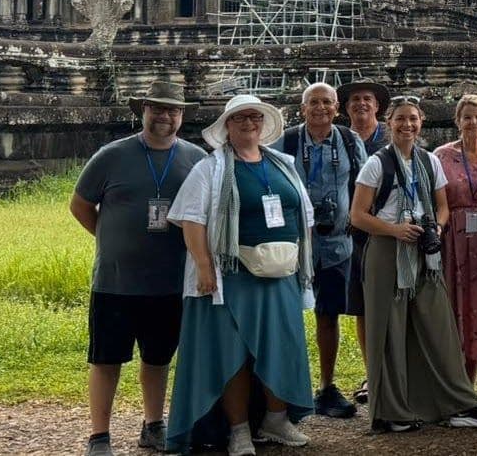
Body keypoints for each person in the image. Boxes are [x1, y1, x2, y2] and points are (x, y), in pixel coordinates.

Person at [167, 94, 314, 455]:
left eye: (254, 118)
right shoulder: (211, 168)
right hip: (232, 276)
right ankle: (238, 430)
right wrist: (204, 266)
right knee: (234, 353)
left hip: (281, 274)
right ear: (227, 127)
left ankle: (277, 419)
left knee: (281, 347)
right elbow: (191, 218)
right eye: (240, 119)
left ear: (263, 125)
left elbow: (303, 215)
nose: (249, 124)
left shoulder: (283, 164)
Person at [348, 95, 477, 433]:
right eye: (401, 119)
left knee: (439, 327)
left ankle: (459, 403)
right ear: (390, 123)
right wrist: (394, 230)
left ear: (421, 123)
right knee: (389, 331)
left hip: (423, 249)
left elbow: (442, 205)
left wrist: (437, 227)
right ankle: (391, 411)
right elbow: (357, 215)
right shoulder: (377, 164)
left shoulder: (429, 161)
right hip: (387, 250)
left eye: (413, 119)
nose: (407, 125)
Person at [71, 81, 208, 456]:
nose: (165, 116)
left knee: (158, 358)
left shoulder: (195, 159)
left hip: (169, 280)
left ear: (182, 116)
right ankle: (99, 435)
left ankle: (153, 424)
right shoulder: (111, 156)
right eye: (157, 108)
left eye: (173, 110)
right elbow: (80, 205)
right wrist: (108, 237)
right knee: (105, 359)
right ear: (143, 110)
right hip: (116, 280)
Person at [270, 82, 366, 419]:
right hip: (294, 243)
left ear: (337, 107)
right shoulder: (288, 141)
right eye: (313, 102)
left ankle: (326, 386)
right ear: (302, 107)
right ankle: (286, 387)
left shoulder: (351, 141)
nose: (320, 108)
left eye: (327, 102)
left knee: (328, 314)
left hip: (338, 242)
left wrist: (357, 218)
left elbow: (365, 184)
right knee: (286, 314)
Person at [431, 93, 477, 384]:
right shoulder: (441, 156)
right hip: (452, 241)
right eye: (467, 117)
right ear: (457, 121)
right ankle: (447, 380)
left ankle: (469, 382)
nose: (473, 122)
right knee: (450, 307)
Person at [335, 77, 391, 405]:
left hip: (390, 231)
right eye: (354, 100)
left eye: (367, 99)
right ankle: (373, 374)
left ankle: (395, 373)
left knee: (396, 306)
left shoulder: (391, 138)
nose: (361, 104)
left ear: (377, 106)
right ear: (346, 108)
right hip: (352, 235)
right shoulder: (338, 140)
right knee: (363, 307)